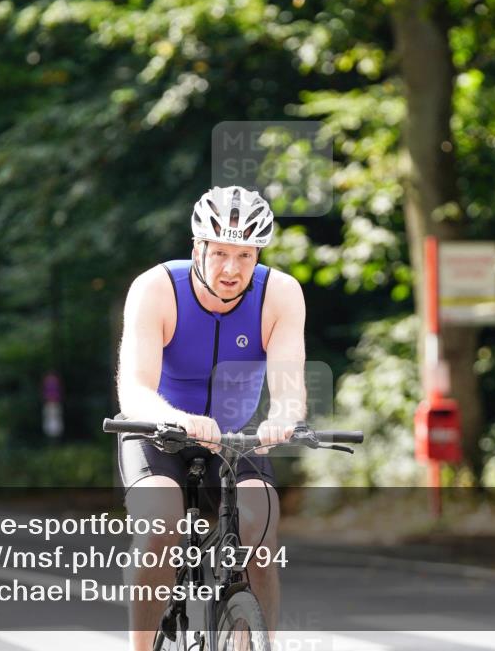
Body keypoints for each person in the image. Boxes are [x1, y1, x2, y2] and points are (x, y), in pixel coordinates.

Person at [115, 185, 307, 651]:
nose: (230, 269)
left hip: (237, 438)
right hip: (157, 431)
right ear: (197, 247)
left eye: (245, 255)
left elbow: (289, 389)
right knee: (161, 523)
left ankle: (255, 643)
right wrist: (177, 420)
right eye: (219, 252)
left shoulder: (279, 294)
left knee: (259, 528)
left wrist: (280, 419)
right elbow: (134, 389)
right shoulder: (156, 289)